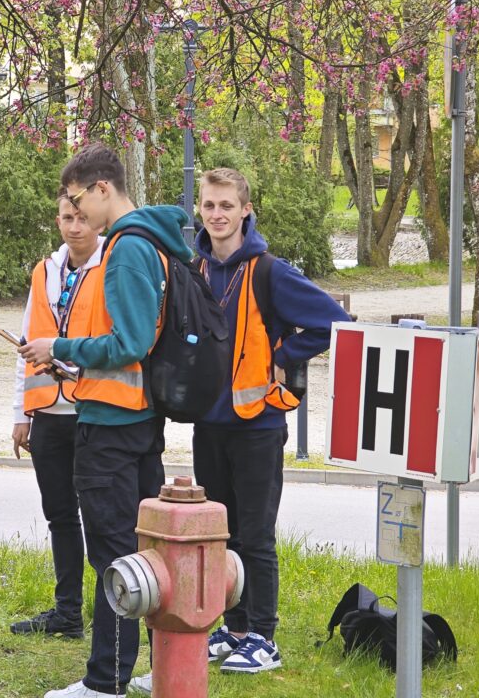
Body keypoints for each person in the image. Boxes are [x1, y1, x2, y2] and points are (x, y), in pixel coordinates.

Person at [20, 143, 189, 698]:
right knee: (140, 552)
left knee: (115, 556)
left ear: (101, 190)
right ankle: (145, 669)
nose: (75, 215)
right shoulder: (150, 242)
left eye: (76, 200)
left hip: (113, 424)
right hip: (134, 418)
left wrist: (60, 345)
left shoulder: (127, 248)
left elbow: (132, 341)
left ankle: (105, 682)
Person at [191, 167, 348, 675]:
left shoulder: (268, 271)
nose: (218, 215)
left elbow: (334, 322)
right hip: (207, 422)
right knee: (220, 534)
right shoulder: (193, 268)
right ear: (200, 209)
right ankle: (233, 629)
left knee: (255, 535)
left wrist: (285, 352)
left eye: (227, 206)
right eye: (210, 205)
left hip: (257, 425)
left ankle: (263, 636)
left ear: (246, 211)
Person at [9, 191, 103, 640]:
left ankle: (116, 615)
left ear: (97, 220)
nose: (74, 226)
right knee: (60, 515)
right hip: (48, 412)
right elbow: (26, 345)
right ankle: (67, 614)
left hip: (94, 410)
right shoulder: (44, 272)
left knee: (102, 518)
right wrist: (20, 414)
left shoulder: (111, 267)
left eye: (82, 218)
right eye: (67, 217)